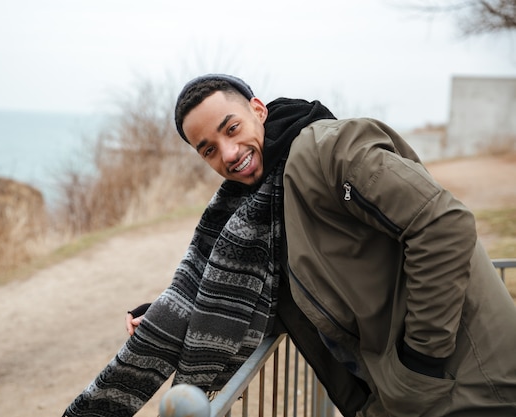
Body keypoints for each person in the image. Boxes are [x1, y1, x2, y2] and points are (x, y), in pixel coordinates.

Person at [63, 74, 516, 417]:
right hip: (408, 397)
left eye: (231, 127)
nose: (228, 152)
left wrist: (422, 364)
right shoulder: (258, 209)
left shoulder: (329, 148)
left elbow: (443, 225)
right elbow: (258, 296)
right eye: (208, 148)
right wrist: (172, 317)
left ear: (258, 110)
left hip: (471, 385)